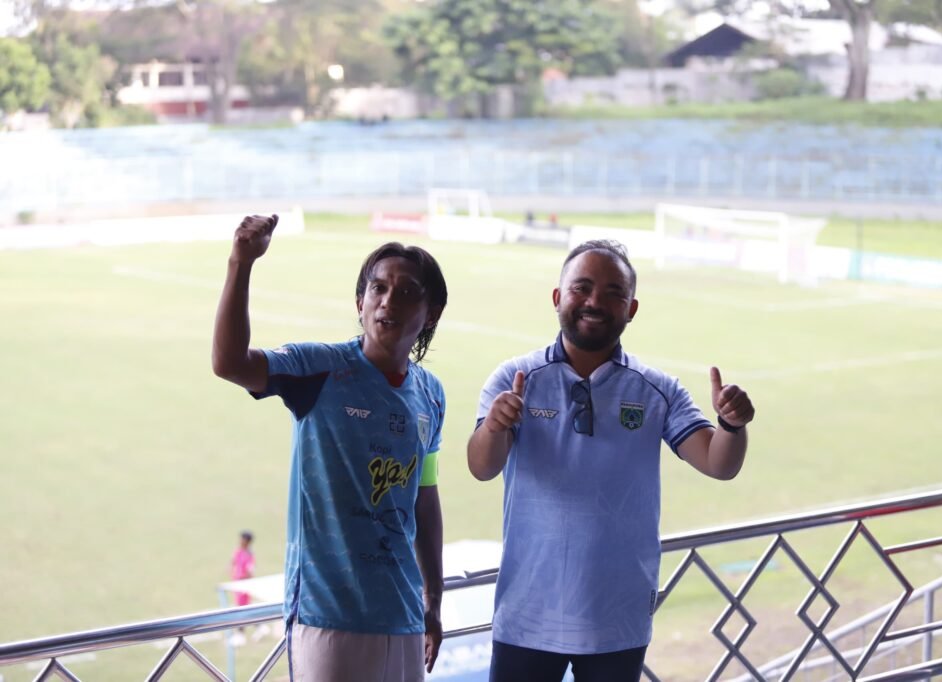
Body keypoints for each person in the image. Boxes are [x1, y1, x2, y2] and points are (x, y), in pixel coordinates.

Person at [467, 239, 755, 682]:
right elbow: (481, 466)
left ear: (632, 308)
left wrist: (732, 425)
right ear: (558, 297)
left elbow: (719, 463)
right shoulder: (515, 378)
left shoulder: (656, 389)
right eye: (582, 288)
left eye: (613, 292)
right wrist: (495, 426)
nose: (595, 301)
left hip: (616, 620)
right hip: (528, 613)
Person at [213, 213, 448, 681]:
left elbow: (424, 496)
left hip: (403, 614)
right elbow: (230, 363)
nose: (388, 301)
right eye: (378, 288)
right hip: (326, 615)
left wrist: (433, 600)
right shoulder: (319, 369)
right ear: (360, 302)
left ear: (431, 314)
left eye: (406, 292)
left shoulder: (431, 394)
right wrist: (242, 262)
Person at [231, 530, 256, 606]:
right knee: (237, 602)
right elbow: (233, 562)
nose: (240, 541)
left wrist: (246, 579)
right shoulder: (238, 551)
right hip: (237, 581)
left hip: (244, 582)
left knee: (243, 603)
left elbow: (250, 570)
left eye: (242, 540)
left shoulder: (249, 554)